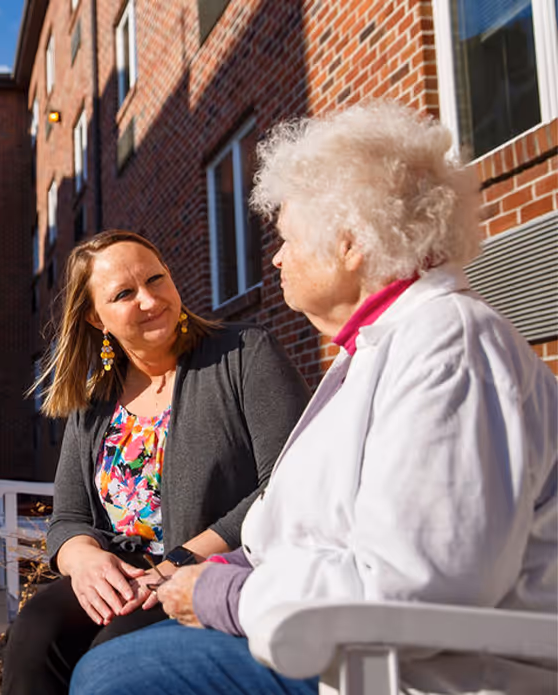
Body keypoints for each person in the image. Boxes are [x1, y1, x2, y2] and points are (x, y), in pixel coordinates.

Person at [71, 102, 558, 695]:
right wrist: (223, 566)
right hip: (337, 642)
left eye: (288, 238)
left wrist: (220, 591)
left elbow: (417, 587)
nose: (276, 257)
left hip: (409, 673)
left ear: (350, 244)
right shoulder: (376, 350)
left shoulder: (448, 345)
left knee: (113, 676)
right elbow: (307, 528)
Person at [0, 230, 310, 695]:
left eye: (155, 279)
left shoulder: (244, 353)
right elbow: (69, 518)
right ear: (94, 317)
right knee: (34, 634)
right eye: (124, 294)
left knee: (107, 657)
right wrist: (84, 561)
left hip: (214, 571)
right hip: (126, 574)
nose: (150, 299)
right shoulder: (94, 400)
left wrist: (178, 563)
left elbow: (287, 486)